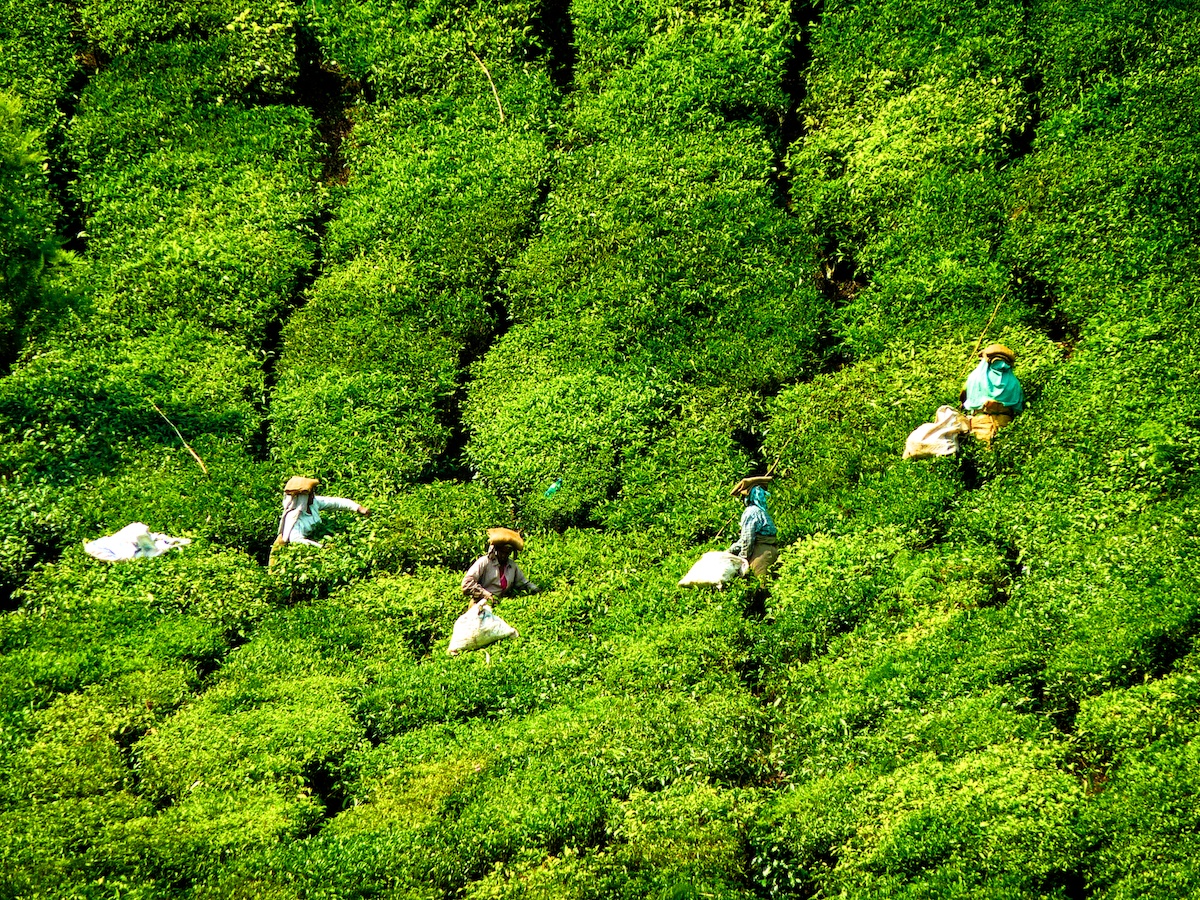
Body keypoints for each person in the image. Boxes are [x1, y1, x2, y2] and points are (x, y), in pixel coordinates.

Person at [273, 475, 370, 549]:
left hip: (317, 540)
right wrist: (321, 547)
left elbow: (336, 503)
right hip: (302, 550)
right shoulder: (294, 519)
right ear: (303, 497)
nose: (313, 496)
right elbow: (297, 541)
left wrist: (358, 508)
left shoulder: (313, 503)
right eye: (310, 494)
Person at [461, 527, 541, 608]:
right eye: (502, 552)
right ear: (496, 550)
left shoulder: (512, 566)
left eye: (507, 553)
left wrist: (536, 590)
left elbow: (523, 583)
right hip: (480, 603)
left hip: (500, 603)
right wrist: (486, 595)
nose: (504, 555)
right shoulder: (484, 562)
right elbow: (467, 584)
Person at [961, 343, 1024, 444]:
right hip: (1004, 422)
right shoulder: (1014, 382)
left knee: (981, 447)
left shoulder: (975, 378)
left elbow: (963, 395)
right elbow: (1018, 406)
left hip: (981, 421)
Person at [728, 475, 779, 579]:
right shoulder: (762, 512)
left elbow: (748, 539)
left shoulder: (751, 512)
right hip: (772, 551)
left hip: (760, 554)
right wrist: (731, 550)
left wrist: (742, 558)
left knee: (761, 584)